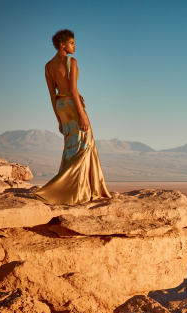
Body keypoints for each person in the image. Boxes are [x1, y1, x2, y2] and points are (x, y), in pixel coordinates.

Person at [35, 29, 111, 205]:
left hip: (61, 107)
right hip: (73, 105)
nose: (75, 46)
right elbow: (74, 91)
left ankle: (69, 187)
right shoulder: (71, 62)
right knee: (85, 146)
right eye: (72, 43)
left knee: (70, 148)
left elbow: (52, 95)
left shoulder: (48, 66)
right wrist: (83, 115)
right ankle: (78, 191)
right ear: (62, 44)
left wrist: (58, 119)